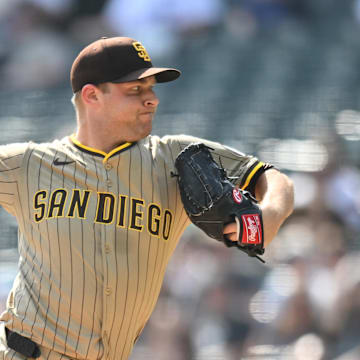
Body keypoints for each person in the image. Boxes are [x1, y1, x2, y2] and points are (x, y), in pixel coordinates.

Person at [0, 36, 294, 359]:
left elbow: (272, 178)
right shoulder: (29, 164)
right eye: (135, 90)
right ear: (92, 95)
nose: (152, 99)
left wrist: (269, 215)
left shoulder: (174, 159)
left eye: (152, 88)